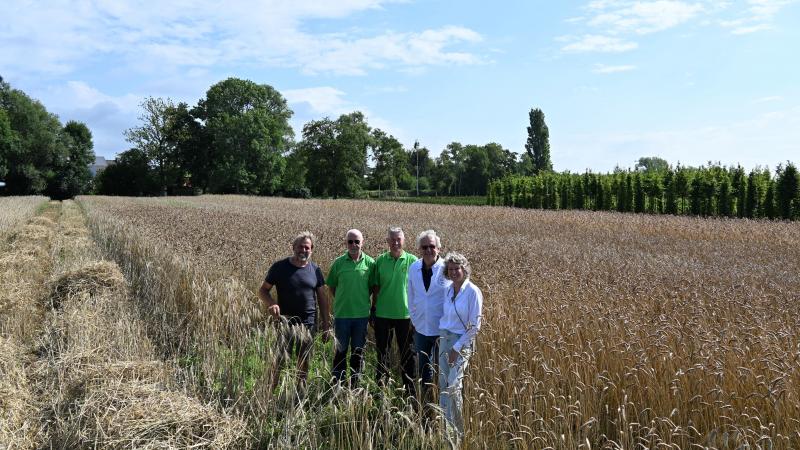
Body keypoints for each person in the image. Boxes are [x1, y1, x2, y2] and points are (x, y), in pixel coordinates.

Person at [258, 231, 331, 390]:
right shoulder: (279, 267)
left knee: (303, 362)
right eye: (300, 247)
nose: (303, 250)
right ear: (293, 247)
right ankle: (269, 394)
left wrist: (326, 324)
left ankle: (298, 396)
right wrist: (271, 303)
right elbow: (263, 290)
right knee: (278, 361)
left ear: (311, 250)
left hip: (308, 324)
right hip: (285, 323)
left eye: (307, 248)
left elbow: (322, 299)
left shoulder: (315, 270)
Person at [438, 252, 482, 438]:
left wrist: (457, 348)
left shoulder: (473, 292)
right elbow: (446, 317)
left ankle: (458, 432)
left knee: (454, 386)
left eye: (458, 268)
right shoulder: (448, 290)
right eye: (451, 269)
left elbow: (475, 326)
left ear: (464, 270)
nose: (454, 272)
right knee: (443, 384)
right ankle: (445, 431)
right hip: (444, 339)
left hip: (460, 343)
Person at [370, 226, 418, 394]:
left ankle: (409, 390)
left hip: (405, 316)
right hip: (382, 315)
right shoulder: (380, 261)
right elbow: (376, 288)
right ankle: (381, 389)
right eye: (393, 239)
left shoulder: (413, 261)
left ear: (404, 241)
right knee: (382, 353)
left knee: (407, 356)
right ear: (387, 242)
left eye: (399, 239)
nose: (396, 242)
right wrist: (373, 309)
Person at [327, 229, 375, 388]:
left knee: (358, 352)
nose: (353, 245)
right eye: (350, 242)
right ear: (345, 243)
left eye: (357, 241)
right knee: (340, 352)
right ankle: (337, 385)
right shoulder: (338, 263)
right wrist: (344, 300)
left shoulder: (371, 264)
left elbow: (372, 288)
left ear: (362, 243)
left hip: (361, 317)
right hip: (342, 316)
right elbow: (332, 286)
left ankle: (355, 386)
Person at [407, 230, 450, 406]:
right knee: (424, 368)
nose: (428, 250)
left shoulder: (448, 269)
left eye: (432, 246)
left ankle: (442, 403)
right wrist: (414, 319)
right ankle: (427, 403)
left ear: (439, 248)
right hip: (421, 328)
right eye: (424, 247)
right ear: (419, 249)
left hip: (442, 329)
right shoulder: (413, 268)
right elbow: (411, 295)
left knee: (442, 370)